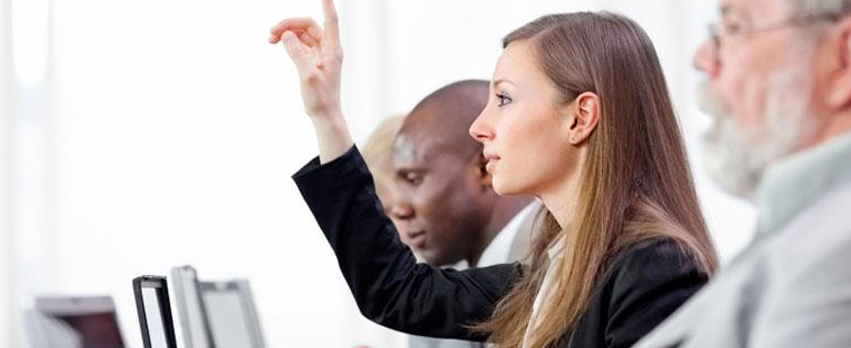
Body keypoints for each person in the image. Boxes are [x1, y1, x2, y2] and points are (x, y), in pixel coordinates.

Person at [269, 1, 718, 347]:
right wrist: (326, 114)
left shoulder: (656, 270)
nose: (478, 127)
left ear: (580, 118)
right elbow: (396, 292)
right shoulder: (557, 266)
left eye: (503, 99)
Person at [633, 0, 851, 347]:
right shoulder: (797, 232)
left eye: (732, 28)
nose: (702, 58)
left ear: (842, 59)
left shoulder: (835, 255)